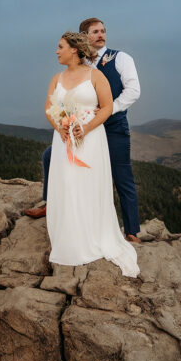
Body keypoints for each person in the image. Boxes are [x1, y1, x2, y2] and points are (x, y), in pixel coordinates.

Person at [26, 18, 142, 243]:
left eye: (103, 31)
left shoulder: (121, 58)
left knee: (122, 176)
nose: (101, 35)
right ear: (83, 37)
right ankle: (51, 203)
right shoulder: (80, 66)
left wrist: (109, 110)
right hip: (82, 130)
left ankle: (131, 231)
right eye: (95, 32)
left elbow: (134, 90)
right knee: (51, 156)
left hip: (113, 127)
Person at [43, 31, 139, 277]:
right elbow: (49, 109)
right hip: (65, 138)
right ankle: (68, 235)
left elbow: (107, 107)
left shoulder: (95, 76)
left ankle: (92, 234)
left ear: (74, 49)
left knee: (86, 184)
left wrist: (84, 129)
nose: (56, 51)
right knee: (67, 183)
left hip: (91, 137)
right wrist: (61, 126)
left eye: (60, 46)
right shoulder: (57, 78)